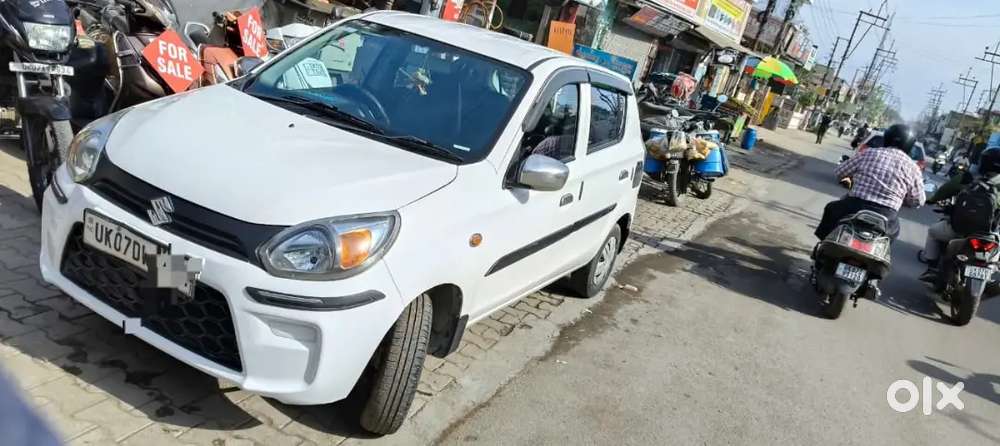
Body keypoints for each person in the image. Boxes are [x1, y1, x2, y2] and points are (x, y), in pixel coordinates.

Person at [815, 123, 925, 241]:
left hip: (854, 206)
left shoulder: (869, 153)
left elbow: (840, 172)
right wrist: (904, 199)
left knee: (831, 208)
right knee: (892, 234)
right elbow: (918, 200)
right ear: (909, 144)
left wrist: (853, 179)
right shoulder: (913, 167)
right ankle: (879, 255)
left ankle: (824, 249)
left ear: (887, 138)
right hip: (887, 215)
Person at [920, 148, 1000, 282]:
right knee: (996, 254)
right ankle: (991, 274)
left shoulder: (968, 177)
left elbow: (945, 190)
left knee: (933, 232)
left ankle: (932, 269)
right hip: (990, 235)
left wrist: (932, 199)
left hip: (960, 231)